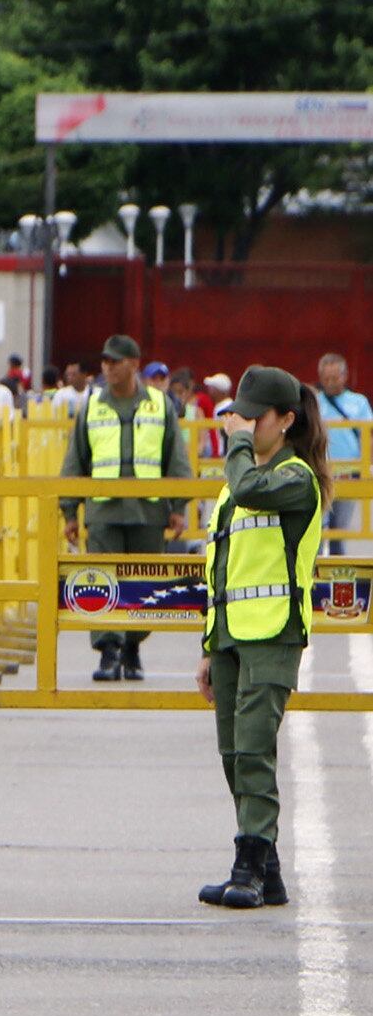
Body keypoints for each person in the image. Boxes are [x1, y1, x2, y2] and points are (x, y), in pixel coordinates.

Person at [194, 365, 327, 911]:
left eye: (255, 418)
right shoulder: (237, 485)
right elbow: (219, 566)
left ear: (286, 420)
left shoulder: (295, 479)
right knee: (232, 752)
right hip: (230, 634)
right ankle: (266, 870)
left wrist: (238, 447)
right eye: (239, 417)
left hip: (274, 632)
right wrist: (208, 645)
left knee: (253, 748)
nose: (243, 426)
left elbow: (249, 487)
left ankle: (247, 864)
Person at [61, 334, 192, 683]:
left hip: (148, 512)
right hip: (103, 512)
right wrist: (69, 512)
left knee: (145, 582)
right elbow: (75, 460)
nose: (107, 367)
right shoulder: (92, 406)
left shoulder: (159, 405)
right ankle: (108, 651)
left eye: (114, 361)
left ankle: (133, 647)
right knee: (101, 581)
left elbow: (175, 457)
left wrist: (179, 506)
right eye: (104, 362)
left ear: (133, 364)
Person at [312, 352, 369, 543]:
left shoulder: (358, 402)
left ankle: (339, 571)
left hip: (349, 472)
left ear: (344, 376)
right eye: (326, 378)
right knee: (315, 530)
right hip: (320, 471)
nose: (330, 382)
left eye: (335, 378)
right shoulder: (314, 402)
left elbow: (367, 436)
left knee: (339, 532)